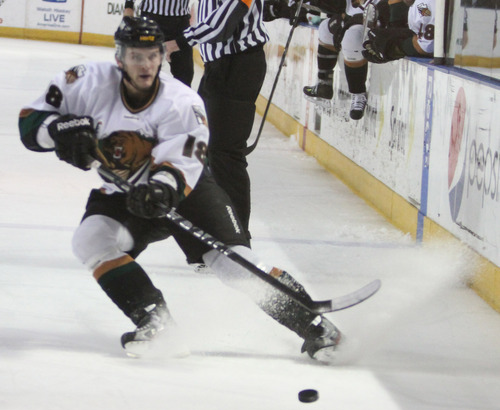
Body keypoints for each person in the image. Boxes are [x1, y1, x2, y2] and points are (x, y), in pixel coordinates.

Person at [18, 16, 341, 361]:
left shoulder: (181, 102)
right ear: (119, 57)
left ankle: (316, 326)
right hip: (126, 190)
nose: (145, 64)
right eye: (136, 56)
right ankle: (155, 321)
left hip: (188, 191)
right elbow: (30, 120)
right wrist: (57, 131)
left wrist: (161, 190)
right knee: (91, 239)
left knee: (233, 266)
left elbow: (183, 166)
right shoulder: (84, 82)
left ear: (161, 57)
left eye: (152, 55)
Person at [164, 0, 269, 242]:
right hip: (220, 67)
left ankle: (237, 238)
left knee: (225, 154)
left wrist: (178, 41)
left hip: (238, 66)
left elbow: (221, 25)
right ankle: (219, 227)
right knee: (206, 147)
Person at [302, 0, 389, 120]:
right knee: (325, 28)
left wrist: (349, 21)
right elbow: (337, 6)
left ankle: (358, 94)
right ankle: (324, 83)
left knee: (351, 38)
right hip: (352, 21)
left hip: (376, 26)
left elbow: (383, 14)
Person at [124, 0, 194, 86]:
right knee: (144, 72)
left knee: (185, 75)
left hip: (180, 25)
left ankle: (179, 99)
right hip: (151, 21)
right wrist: (128, 6)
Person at [362, 0, 434, 64]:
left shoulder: (425, 5)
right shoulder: (420, 6)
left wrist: (395, 48)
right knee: (383, 7)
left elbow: (426, 46)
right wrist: (395, 30)